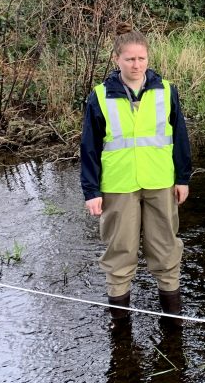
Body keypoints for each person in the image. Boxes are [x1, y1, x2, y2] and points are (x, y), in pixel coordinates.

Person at [80, 25, 192, 332]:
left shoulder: (166, 91)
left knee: (166, 247)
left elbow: (180, 137)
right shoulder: (100, 97)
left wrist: (182, 178)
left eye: (141, 58)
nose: (136, 64)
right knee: (120, 251)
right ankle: (121, 326)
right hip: (118, 186)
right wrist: (91, 190)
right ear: (117, 59)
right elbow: (88, 146)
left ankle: (172, 322)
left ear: (148, 58)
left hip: (160, 182)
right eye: (129, 59)